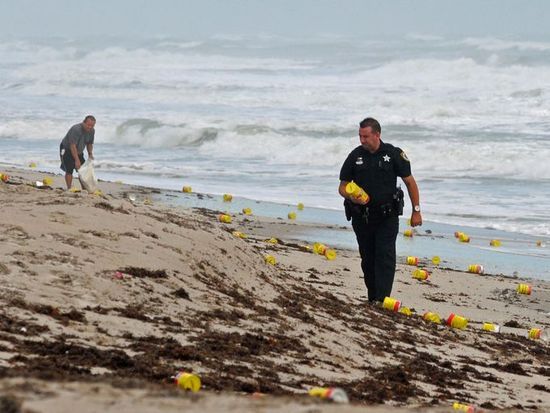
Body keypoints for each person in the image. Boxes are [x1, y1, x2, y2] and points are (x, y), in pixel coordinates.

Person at [338, 117, 422, 303]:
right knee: (368, 259)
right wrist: (350, 196)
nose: (362, 140)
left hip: (387, 217)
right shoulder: (355, 156)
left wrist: (416, 210)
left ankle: (383, 300)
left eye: (366, 136)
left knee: (385, 257)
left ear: (377, 134)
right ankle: (373, 298)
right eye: (360, 136)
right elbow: (342, 186)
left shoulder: (393, 154)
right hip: (362, 218)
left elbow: (410, 182)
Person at [60, 115, 95, 189]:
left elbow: (89, 143)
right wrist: (76, 160)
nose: (90, 127)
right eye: (88, 125)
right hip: (66, 149)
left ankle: (84, 188)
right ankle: (69, 188)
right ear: (84, 122)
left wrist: (90, 154)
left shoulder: (92, 131)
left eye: (92, 125)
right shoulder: (76, 129)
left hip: (79, 150)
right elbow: (72, 145)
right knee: (69, 169)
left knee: (82, 170)